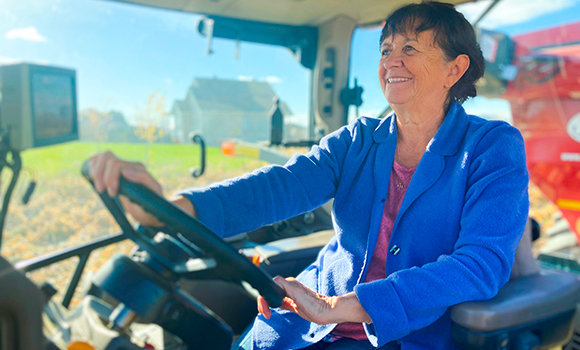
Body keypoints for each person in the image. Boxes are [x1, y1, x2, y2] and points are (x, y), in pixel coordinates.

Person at [89, 2, 529, 349]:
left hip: (400, 337)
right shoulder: (358, 139)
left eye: (410, 48)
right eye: (385, 49)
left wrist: (339, 307)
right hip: (301, 323)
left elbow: (480, 266)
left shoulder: (493, 147)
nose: (391, 60)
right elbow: (280, 187)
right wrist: (170, 208)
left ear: (455, 69)